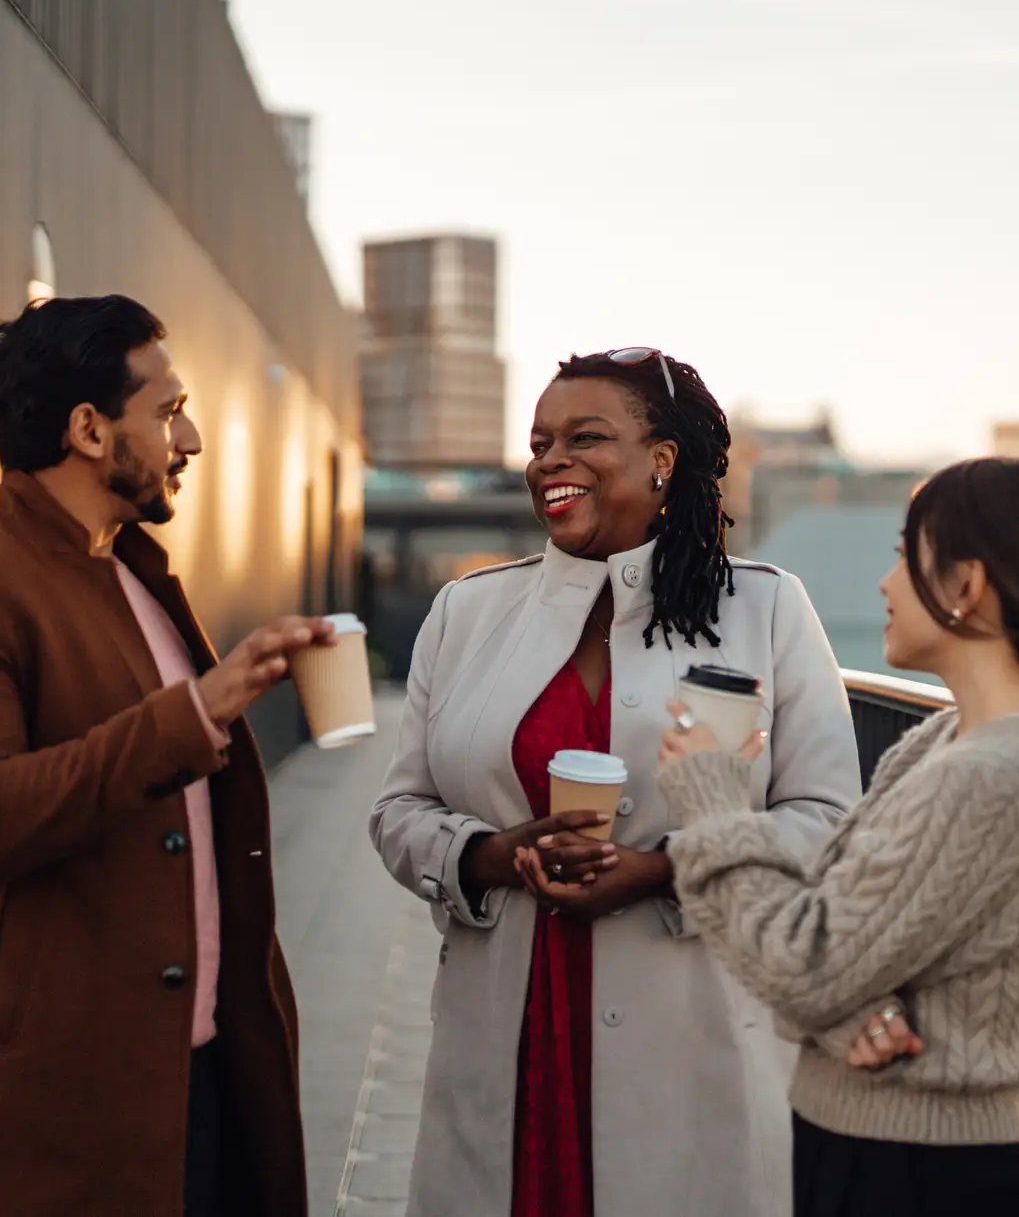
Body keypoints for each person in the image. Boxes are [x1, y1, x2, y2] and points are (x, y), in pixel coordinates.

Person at [370, 348, 865, 1217]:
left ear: (661, 459)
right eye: (539, 442)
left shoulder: (766, 610)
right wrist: (486, 855)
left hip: (692, 1031)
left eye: (584, 437)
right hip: (507, 1034)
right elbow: (398, 810)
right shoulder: (467, 612)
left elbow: (827, 822)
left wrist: (671, 868)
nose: (549, 461)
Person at [0, 296, 327, 1217]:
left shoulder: (135, 571)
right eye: (166, 412)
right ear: (87, 428)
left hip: (204, 1079)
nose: (189, 438)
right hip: (61, 1112)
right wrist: (192, 712)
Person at [654, 457, 1019, 1217]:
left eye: (904, 554)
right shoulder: (943, 742)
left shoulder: (990, 776)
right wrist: (842, 1013)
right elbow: (830, 939)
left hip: (924, 1171)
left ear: (964, 585)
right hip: (879, 1150)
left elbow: (801, 962)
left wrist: (712, 798)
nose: (885, 583)